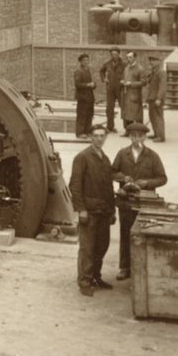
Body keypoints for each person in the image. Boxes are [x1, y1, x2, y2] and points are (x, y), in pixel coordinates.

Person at [111, 122, 168, 280]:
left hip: (145, 202)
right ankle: (125, 267)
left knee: (145, 233)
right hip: (126, 201)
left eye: (140, 136)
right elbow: (112, 172)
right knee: (126, 233)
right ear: (129, 137)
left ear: (145, 137)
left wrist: (147, 183)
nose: (137, 139)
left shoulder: (153, 156)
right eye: (133, 136)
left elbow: (163, 178)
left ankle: (144, 267)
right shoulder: (122, 154)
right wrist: (123, 178)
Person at [68, 124, 116, 296]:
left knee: (101, 246)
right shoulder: (82, 157)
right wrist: (81, 209)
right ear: (90, 137)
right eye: (95, 136)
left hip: (104, 211)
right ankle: (85, 281)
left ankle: (96, 276)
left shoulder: (105, 158)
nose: (99, 139)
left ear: (106, 137)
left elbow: (108, 187)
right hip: (89, 211)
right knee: (87, 248)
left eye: (102, 135)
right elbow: (75, 185)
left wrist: (112, 210)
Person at [98, 48, 124, 132]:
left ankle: (127, 127)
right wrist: (104, 79)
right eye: (112, 54)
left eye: (116, 54)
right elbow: (101, 71)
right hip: (110, 89)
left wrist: (125, 80)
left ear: (119, 54)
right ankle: (110, 127)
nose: (114, 56)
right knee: (109, 108)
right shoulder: (108, 64)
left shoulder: (124, 64)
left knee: (124, 107)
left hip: (121, 88)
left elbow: (128, 73)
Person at [120, 51, 146, 133]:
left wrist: (131, 84)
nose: (128, 59)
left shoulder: (140, 69)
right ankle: (128, 131)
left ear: (135, 58)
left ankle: (139, 131)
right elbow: (125, 77)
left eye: (130, 57)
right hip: (126, 94)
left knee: (136, 115)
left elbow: (143, 82)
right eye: (127, 57)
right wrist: (123, 81)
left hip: (134, 95)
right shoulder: (126, 68)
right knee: (126, 114)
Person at [144, 55, 167, 143]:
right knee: (152, 117)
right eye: (151, 61)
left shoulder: (161, 72)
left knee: (158, 117)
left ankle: (161, 136)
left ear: (158, 62)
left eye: (154, 60)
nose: (151, 62)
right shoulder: (154, 72)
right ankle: (156, 134)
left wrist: (159, 98)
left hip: (156, 98)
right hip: (152, 98)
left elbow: (163, 86)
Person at [73, 53, 95, 137]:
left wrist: (93, 85)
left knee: (89, 114)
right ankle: (80, 132)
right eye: (84, 60)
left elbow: (89, 82)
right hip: (82, 97)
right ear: (81, 62)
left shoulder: (87, 70)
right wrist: (88, 85)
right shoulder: (78, 71)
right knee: (82, 115)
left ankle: (87, 131)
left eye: (87, 60)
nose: (86, 62)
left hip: (89, 97)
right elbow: (77, 84)